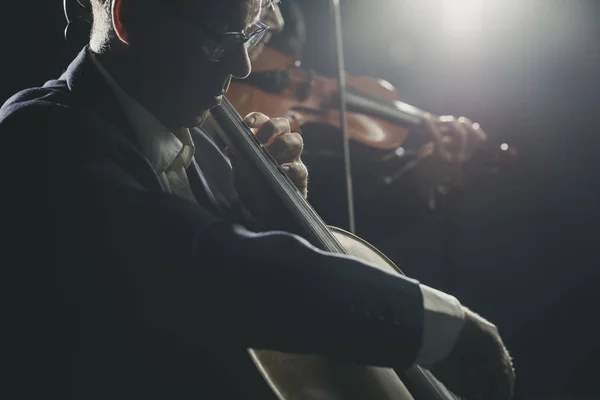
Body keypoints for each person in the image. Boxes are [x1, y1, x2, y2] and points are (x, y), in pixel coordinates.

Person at [0, 0, 514, 399]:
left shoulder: (210, 154)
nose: (245, 65)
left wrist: (277, 217)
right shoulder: (38, 135)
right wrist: (434, 326)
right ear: (129, 17)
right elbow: (210, 265)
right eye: (221, 37)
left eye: (252, 33)